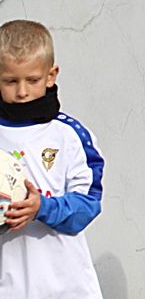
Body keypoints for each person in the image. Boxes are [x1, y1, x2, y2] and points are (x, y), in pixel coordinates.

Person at [0, 20, 105, 298]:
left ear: (51, 75)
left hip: (65, 286)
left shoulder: (70, 135)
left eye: (32, 80)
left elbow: (88, 206)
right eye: (10, 81)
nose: (22, 92)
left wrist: (42, 208)